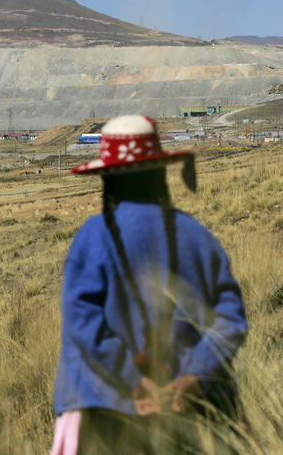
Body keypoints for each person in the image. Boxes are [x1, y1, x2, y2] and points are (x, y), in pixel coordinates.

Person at [51, 115, 247, 455]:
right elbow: (230, 318)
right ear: (160, 172)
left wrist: (132, 380)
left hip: (103, 412)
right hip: (190, 412)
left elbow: (81, 320)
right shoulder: (196, 235)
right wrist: (197, 376)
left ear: (107, 180)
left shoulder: (93, 236)